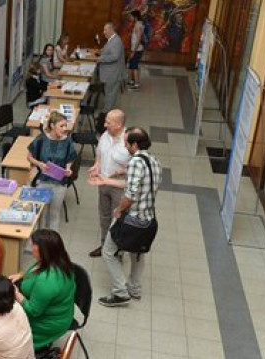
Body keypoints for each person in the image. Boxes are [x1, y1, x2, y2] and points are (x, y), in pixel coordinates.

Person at [96, 127, 162, 306]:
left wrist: (119, 210)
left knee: (108, 252)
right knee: (138, 254)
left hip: (131, 219)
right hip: (148, 220)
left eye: (126, 142)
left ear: (134, 144)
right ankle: (135, 289)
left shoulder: (135, 162)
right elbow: (143, 185)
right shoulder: (154, 160)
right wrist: (118, 175)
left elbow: (131, 193)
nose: (124, 145)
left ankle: (120, 291)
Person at [8, 229, 75, 353]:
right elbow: (35, 272)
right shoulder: (57, 261)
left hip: (46, 324)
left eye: (33, 244)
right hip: (59, 313)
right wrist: (22, 275)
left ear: (43, 250)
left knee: (6, 335)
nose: (30, 246)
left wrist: (16, 293)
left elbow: (33, 311)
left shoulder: (48, 280)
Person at [87, 110, 131, 257]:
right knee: (104, 216)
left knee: (118, 219)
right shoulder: (105, 136)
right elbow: (99, 156)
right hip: (103, 183)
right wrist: (96, 167)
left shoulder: (129, 142)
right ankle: (104, 245)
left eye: (108, 123)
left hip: (120, 189)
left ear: (119, 125)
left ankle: (117, 250)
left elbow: (133, 170)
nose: (105, 125)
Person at [27, 112, 77, 231]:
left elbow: (71, 158)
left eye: (66, 126)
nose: (65, 129)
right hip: (43, 181)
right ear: (53, 125)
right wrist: (40, 164)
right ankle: (39, 240)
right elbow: (29, 157)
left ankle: (52, 242)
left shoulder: (68, 141)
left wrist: (68, 168)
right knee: (41, 214)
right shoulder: (41, 139)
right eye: (62, 126)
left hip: (59, 183)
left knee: (54, 214)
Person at [97, 22, 125, 113]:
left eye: (105, 30)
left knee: (110, 94)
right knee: (109, 93)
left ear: (111, 30)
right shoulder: (111, 40)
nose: (103, 32)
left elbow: (114, 56)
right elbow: (107, 50)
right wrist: (101, 52)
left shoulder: (116, 41)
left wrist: (101, 59)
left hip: (113, 73)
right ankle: (106, 111)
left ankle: (106, 113)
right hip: (110, 73)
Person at [127, 10, 145, 90]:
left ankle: (136, 84)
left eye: (131, 16)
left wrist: (134, 51)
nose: (130, 18)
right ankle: (131, 81)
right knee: (131, 64)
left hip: (137, 50)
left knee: (134, 66)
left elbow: (138, 39)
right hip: (135, 49)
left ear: (135, 17)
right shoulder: (137, 24)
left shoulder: (138, 25)